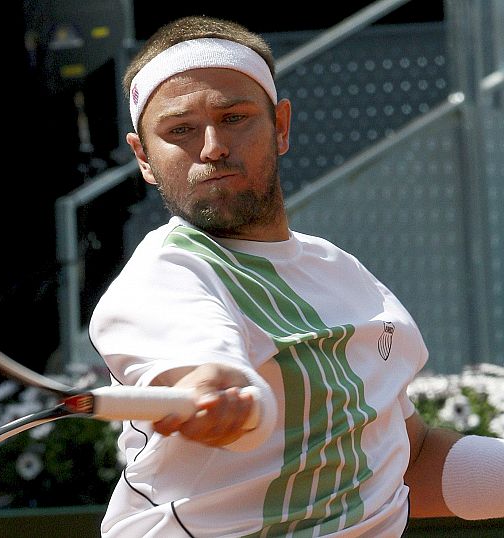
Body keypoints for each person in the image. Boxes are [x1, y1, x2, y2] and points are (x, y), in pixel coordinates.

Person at [88, 15, 504, 537]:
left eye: (234, 117)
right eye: (180, 130)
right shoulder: (163, 277)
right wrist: (211, 384)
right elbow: (199, 357)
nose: (212, 147)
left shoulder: (345, 276)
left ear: (280, 126)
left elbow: (409, 460)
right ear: (144, 157)